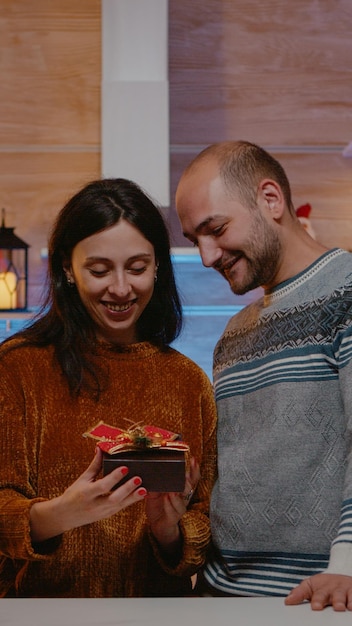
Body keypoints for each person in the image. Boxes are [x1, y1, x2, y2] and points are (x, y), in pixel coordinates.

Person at [0, 178, 217, 598]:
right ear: (67, 267)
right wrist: (62, 514)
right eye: (99, 270)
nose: (120, 288)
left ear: (158, 266)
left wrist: (168, 529)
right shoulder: (19, 367)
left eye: (137, 267)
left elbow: (203, 526)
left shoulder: (188, 381)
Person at [175, 140, 352, 611]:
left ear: (271, 199)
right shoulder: (232, 334)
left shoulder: (348, 294)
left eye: (215, 229)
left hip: (316, 601)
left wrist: (346, 565)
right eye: (196, 240)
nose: (208, 256)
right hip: (218, 598)